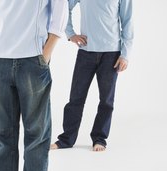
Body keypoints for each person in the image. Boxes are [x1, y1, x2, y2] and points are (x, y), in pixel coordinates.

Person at [0, 0, 68, 171]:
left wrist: (44, 56)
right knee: (0, 137)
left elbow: (59, 13)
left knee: (35, 138)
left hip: (33, 59)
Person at [51, 0, 134, 151]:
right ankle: (66, 139)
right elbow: (64, 8)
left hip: (111, 54)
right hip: (86, 52)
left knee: (106, 100)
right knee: (75, 99)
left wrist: (125, 54)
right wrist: (71, 34)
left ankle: (99, 138)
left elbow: (127, 21)